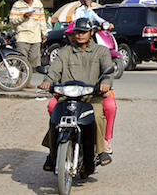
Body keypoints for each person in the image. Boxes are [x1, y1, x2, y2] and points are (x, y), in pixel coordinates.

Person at [39, 18, 114, 174]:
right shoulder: (64, 52)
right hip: (68, 96)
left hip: (91, 96)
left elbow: (108, 70)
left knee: (98, 116)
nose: (80, 36)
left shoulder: (101, 51)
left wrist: (105, 82)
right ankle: (52, 153)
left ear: (91, 33)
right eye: (77, 32)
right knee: (55, 117)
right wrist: (47, 81)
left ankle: (100, 151)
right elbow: (54, 70)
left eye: (84, 32)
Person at [8, 0, 46, 89]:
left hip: (35, 36)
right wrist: (23, 17)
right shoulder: (17, 5)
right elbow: (12, 21)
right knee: (21, 60)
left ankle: (27, 81)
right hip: (22, 36)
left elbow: (42, 19)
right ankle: (20, 80)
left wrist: (44, 32)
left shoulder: (38, 4)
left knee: (33, 60)